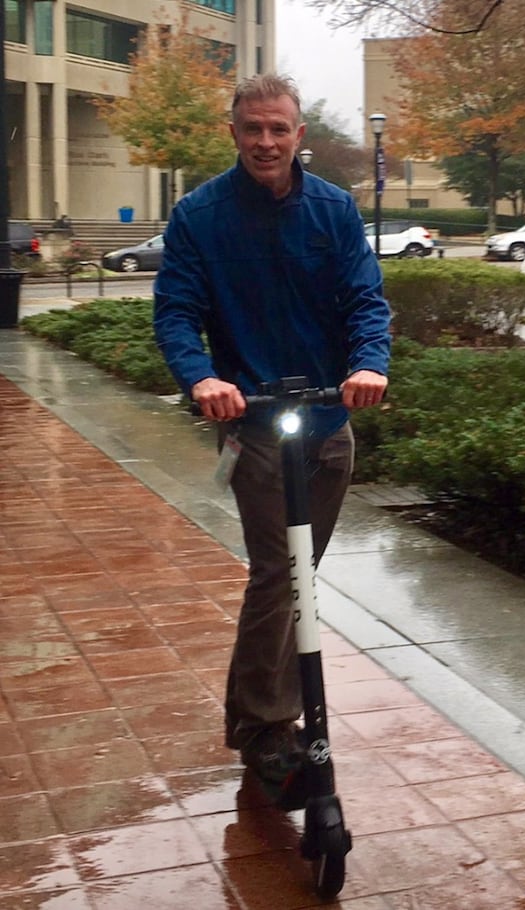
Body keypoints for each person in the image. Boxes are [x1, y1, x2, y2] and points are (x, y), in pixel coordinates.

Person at [154, 73, 390, 783]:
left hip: (327, 416)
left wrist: (369, 364)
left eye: (278, 129)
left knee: (298, 576)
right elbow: (174, 313)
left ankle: (261, 717)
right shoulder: (201, 215)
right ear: (234, 132)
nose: (265, 141)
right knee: (279, 575)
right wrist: (202, 378)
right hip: (254, 423)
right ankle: (266, 728)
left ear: (299, 136)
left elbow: (365, 301)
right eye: (252, 128)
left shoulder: (333, 210)